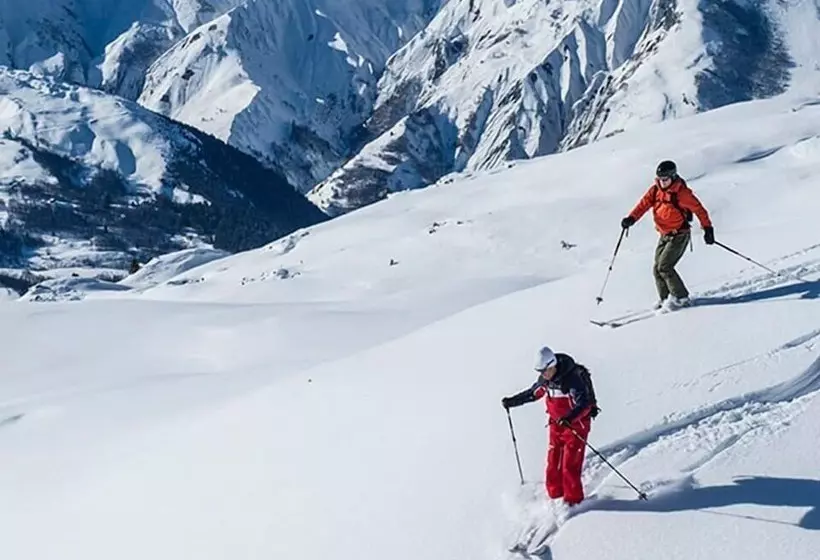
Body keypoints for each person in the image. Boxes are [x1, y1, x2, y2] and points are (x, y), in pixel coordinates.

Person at [502, 346, 598, 506]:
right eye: (540, 371)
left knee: (569, 464)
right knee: (553, 460)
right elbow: (533, 393)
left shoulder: (572, 379)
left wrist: (569, 418)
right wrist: (512, 401)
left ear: (552, 365)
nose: (543, 374)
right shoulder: (546, 381)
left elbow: (583, 404)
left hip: (576, 425)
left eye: (544, 370)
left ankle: (573, 502)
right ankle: (555, 495)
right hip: (556, 424)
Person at [620, 160, 715, 309]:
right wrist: (631, 218)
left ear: (673, 176)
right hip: (664, 235)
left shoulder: (682, 193)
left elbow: (699, 210)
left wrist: (708, 229)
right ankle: (666, 300)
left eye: (665, 179)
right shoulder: (655, 190)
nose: (662, 182)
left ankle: (681, 298)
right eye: (660, 179)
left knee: (665, 267)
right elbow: (643, 204)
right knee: (657, 269)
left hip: (679, 235)